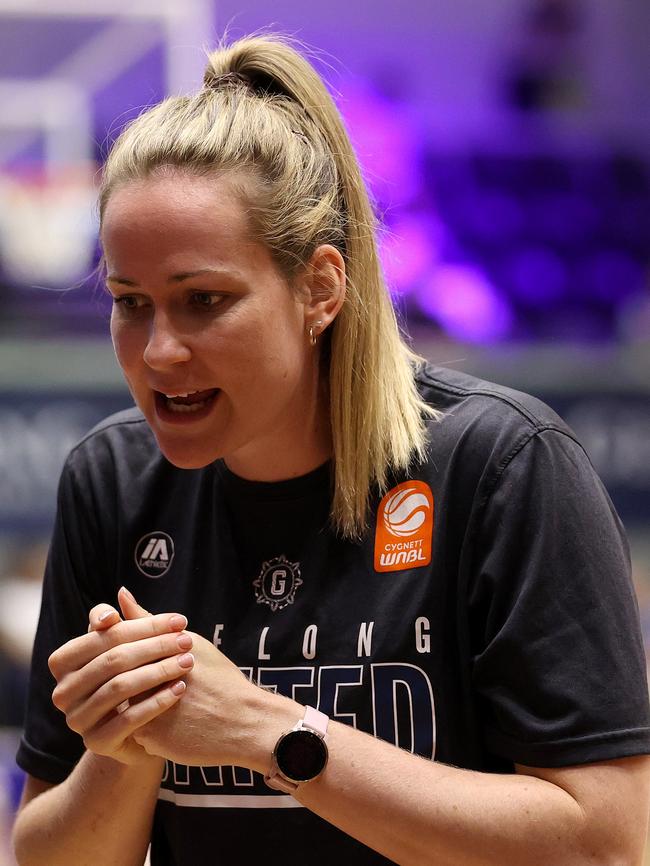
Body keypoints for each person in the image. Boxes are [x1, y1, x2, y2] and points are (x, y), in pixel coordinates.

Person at [11, 34, 650, 866]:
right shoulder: (112, 480)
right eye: (131, 303)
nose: (158, 349)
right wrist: (126, 748)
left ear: (319, 288)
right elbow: (52, 855)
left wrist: (267, 732)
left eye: (203, 300)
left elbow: (606, 845)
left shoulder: (503, 465)